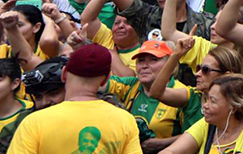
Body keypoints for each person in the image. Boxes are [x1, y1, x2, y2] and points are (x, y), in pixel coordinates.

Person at [7, 44, 143, 154]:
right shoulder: (125, 120)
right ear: (106, 79)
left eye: (53, 93)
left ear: (64, 74)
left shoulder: (34, 123)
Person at [157, 74, 243, 154]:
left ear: (234, 106)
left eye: (213, 101)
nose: (205, 105)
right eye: (207, 99)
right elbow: (170, 151)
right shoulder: (207, 125)